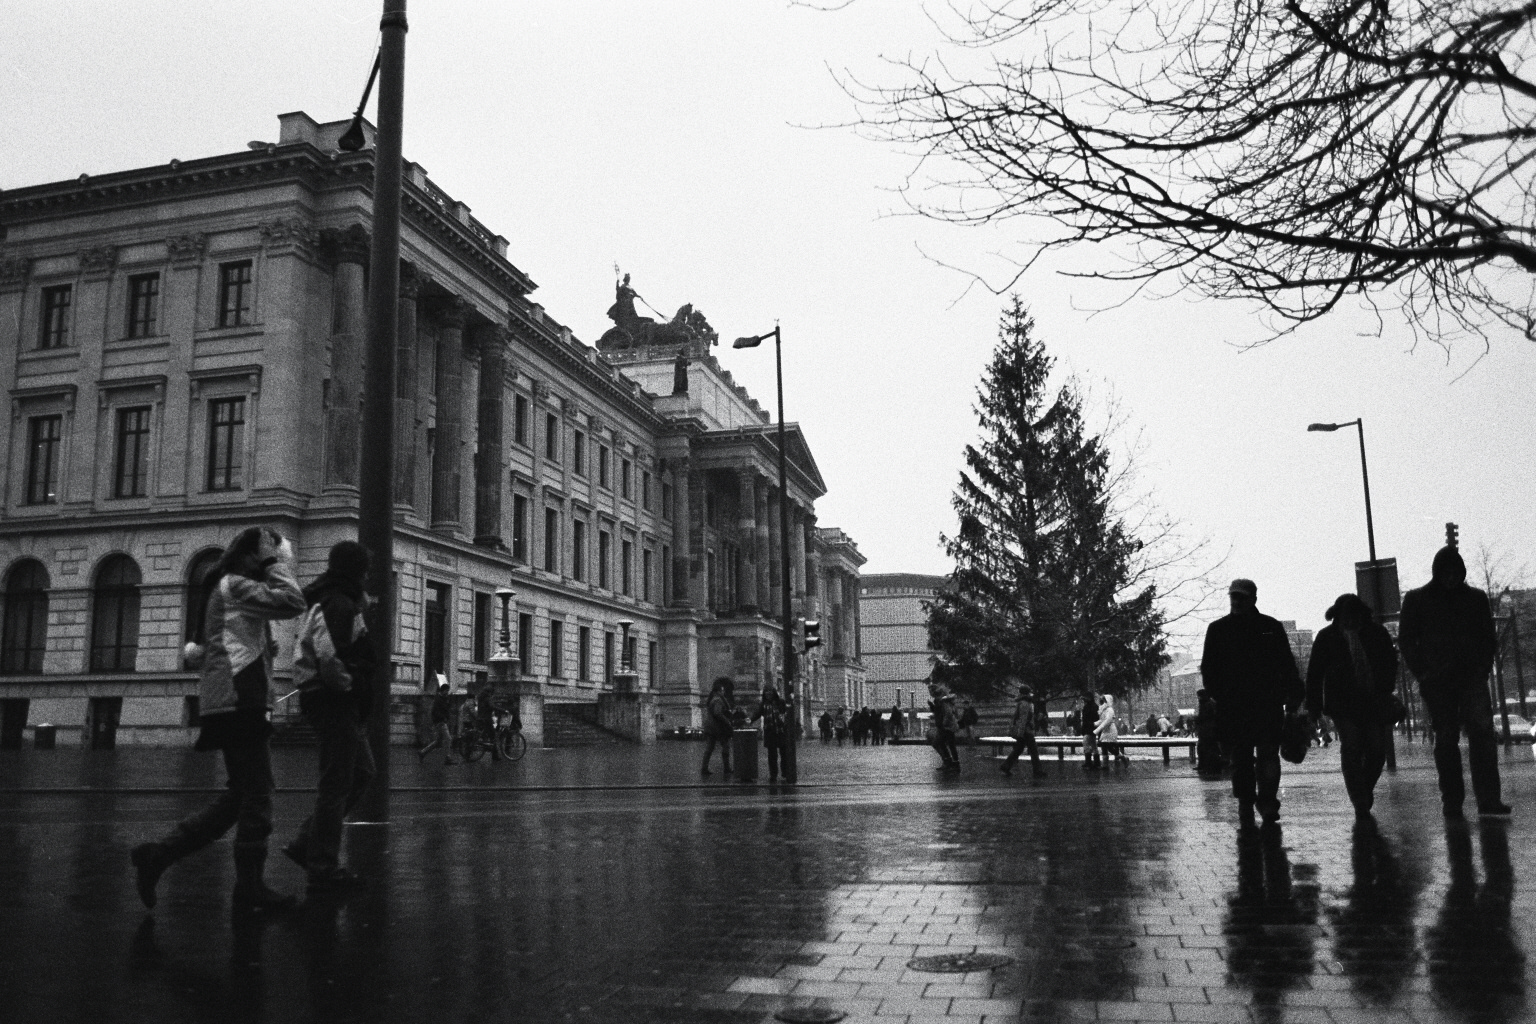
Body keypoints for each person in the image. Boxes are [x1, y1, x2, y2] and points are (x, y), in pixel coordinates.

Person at [131, 526, 306, 912]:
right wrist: (272, 560)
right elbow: (294, 600)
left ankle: (159, 855)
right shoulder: (236, 585)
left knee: (241, 795)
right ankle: (248, 889)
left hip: (234, 701)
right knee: (258, 793)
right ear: (253, 555)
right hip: (236, 702)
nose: (272, 564)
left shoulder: (230, 588)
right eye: (265, 557)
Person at [283, 540, 376, 891]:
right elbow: (331, 657)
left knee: (362, 772)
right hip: (333, 700)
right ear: (354, 570)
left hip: (333, 698)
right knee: (337, 783)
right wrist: (351, 688)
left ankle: (306, 842)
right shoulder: (338, 602)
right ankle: (322, 864)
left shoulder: (342, 599)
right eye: (364, 567)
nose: (369, 573)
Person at [1399, 543, 1509, 817]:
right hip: (1453, 678)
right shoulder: (1474, 599)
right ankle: (1479, 799)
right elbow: (1487, 638)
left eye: (1454, 572)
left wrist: (1424, 671)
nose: (1451, 578)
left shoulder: (1418, 600)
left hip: (1447, 678)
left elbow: (1407, 641)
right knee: (1473, 737)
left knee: (1454, 739)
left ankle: (1457, 800)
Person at [1201, 578, 1304, 827]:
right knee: (1245, 757)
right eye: (1234, 597)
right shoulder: (1259, 628)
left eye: (1241, 597)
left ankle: (1261, 802)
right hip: (1240, 705)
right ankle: (1252, 801)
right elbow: (1209, 669)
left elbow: (1286, 665)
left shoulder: (1260, 628)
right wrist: (1220, 693)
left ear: (1253, 599)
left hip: (1259, 705)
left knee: (1260, 755)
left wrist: (1291, 693)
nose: (1236, 602)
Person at [1306, 593, 1398, 818]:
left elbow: (1389, 662)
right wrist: (1314, 707)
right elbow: (1315, 673)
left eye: (1354, 617)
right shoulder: (1327, 637)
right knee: (1352, 745)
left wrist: (1385, 689)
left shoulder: (1376, 633)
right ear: (1337, 617)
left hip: (1372, 701)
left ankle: (1363, 789)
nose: (1350, 622)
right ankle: (1359, 799)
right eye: (1345, 617)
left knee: (1377, 750)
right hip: (1342, 704)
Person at [1001, 681, 1046, 778]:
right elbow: (1023, 719)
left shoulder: (1022, 702)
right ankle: (1037, 771)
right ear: (1027, 693)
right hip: (1026, 731)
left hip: (1024, 730)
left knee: (1018, 749)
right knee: (1033, 750)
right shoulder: (1026, 703)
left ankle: (1006, 766)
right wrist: (1021, 732)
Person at [751, 683, 791, 782]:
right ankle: (773, 774)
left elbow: (786, 712)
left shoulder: (780, 702)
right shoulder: (763, 704)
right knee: (772, 756)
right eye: (766, 692)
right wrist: (750, 720)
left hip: (781, 730)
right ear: (764, 694)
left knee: (784, 754)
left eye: (770, 692)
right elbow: (757, 714)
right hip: (770, 731)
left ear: (774, 693)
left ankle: (785, 773)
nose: (768, 694)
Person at [700, 677, 735, 775]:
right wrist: (727, 721)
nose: (723, 692)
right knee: (725, 747)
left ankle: (704, 768)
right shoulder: (718, 700)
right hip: (718, 728)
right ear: (719, 691)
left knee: (709, 749)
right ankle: (726, 768)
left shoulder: (712, 699)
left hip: (711, 728)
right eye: (722, 691)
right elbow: (717, 713)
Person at [419, 682, 458, 764]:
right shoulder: (438, 700)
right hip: (440, 722)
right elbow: (436, 711)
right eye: (447, 690)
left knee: (438, 742)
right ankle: (448, 758)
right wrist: (443, 718)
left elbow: (446, 709)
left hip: (440, 721)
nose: (447, 692)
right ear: (443, 690)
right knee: (448, 739)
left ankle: (423, 752)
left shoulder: (443, 698)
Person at [928, 682, 961, 769]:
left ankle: (951, 762)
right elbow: (938, 712)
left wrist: (944, 723)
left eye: (931, 691)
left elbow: (948, 713)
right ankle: (951, 762)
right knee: (946, 744)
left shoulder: (943, 701)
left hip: (946, 727)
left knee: (942, 743)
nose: (930, 693)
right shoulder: (939, 701)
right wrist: (932, 706)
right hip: (944, 726)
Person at [1094, 695, 1125, 765]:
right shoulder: (1103, 710)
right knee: (1104, 746)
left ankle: (1122, 757)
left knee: (1107, 746)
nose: (1102, 703)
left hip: (1110, 730)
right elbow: (1102, 720)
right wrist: (1094, 724)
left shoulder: (1110, 710)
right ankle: (1105, 764)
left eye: (1104, 701)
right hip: (1105, 730)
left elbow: (1107, 721)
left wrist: (1097, 730)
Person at [475, 685, 502, 761]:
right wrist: (502, 710)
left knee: (485, 735)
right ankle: (495, 756)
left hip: (481, 718)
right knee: (493, 737)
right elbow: (492, 706)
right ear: (490, 692)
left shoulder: (481, 698)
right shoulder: (487, 698)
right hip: (487, 719)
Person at [1080, 693, 1101, 768]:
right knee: (1093, 745)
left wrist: (1085, 727)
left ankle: (1088, 762)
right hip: (1092, 729)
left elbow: (1086, 719)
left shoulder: (1088, 707)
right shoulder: (1095, 707)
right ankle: (1096, 762)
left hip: (1088, 728)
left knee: (1086, 744)